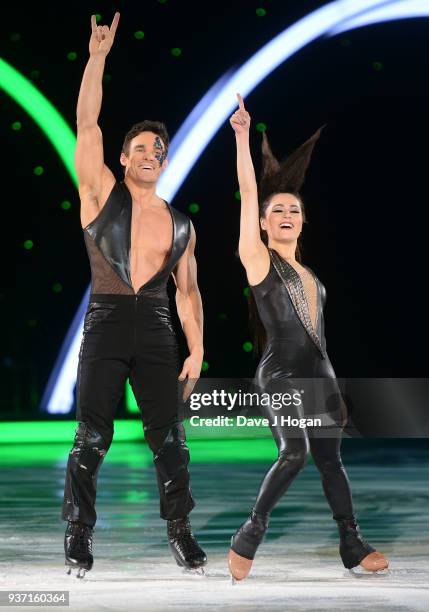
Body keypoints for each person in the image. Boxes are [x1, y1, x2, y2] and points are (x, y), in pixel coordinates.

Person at [62, 12, 206, 577]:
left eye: (160, 148)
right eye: (143, 146)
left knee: (170, 440)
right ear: (124, 157)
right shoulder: (99, 193)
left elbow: (189, 292)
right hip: (106, 319)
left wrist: (196, 349)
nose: (153, 152)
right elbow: (88, 122)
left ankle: (181, 533)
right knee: (92, 436)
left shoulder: (182, 224)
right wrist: (97, 57)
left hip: (157, 329)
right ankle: (78, 534)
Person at [227, 93, 389, 581]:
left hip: (318, 374)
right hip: (279, 374)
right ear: (262, 222)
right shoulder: (260, 262)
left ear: (302, 221)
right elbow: (247, 190)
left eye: (293, 211)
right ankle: (250, 532)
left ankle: (351, 544)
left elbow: (318, 338)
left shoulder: (312, 275)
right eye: (276, 211)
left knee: (330, 461)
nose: (285, 216)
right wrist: (240, 137)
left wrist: (333, 385)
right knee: (294, 453)